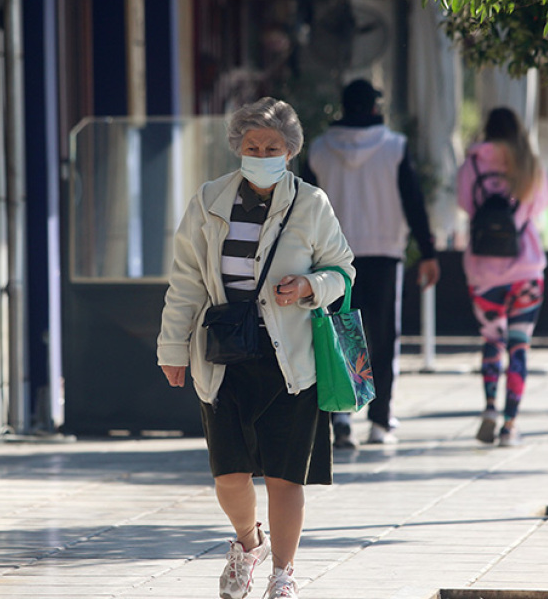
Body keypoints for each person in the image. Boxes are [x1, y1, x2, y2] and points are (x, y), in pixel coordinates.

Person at [158, 97, 355, 599]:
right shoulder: (209, 200)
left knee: (287, 478)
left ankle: (283, 575)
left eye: (271, 146)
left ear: (289, 151)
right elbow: (185, 281)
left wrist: (310, 286)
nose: (261, 153)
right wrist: (172, 348)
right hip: (224, 355)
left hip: (291, 359)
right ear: (238, 149)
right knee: (229, 476)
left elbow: (342, 270)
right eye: (251, 146)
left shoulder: (311, 203)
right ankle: (249, 545)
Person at [305, 79, 441, 447]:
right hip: (384, 252)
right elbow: (413, 200)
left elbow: (303, 208)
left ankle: (342, 417)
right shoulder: (394, 147)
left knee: (338, 334)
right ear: (374, 108)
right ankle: (380, 421)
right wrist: (428, 252)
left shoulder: (318, 149)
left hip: (330, 259)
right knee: (383, 337)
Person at [456, 106, 548, 447]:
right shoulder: (530, 164)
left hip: (484, 272)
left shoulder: (471, 163)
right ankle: (511, 425)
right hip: (525, 271)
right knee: (519, 346)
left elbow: (467, 205)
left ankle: (490, 408)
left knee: (492, 341)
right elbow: (540, 208)